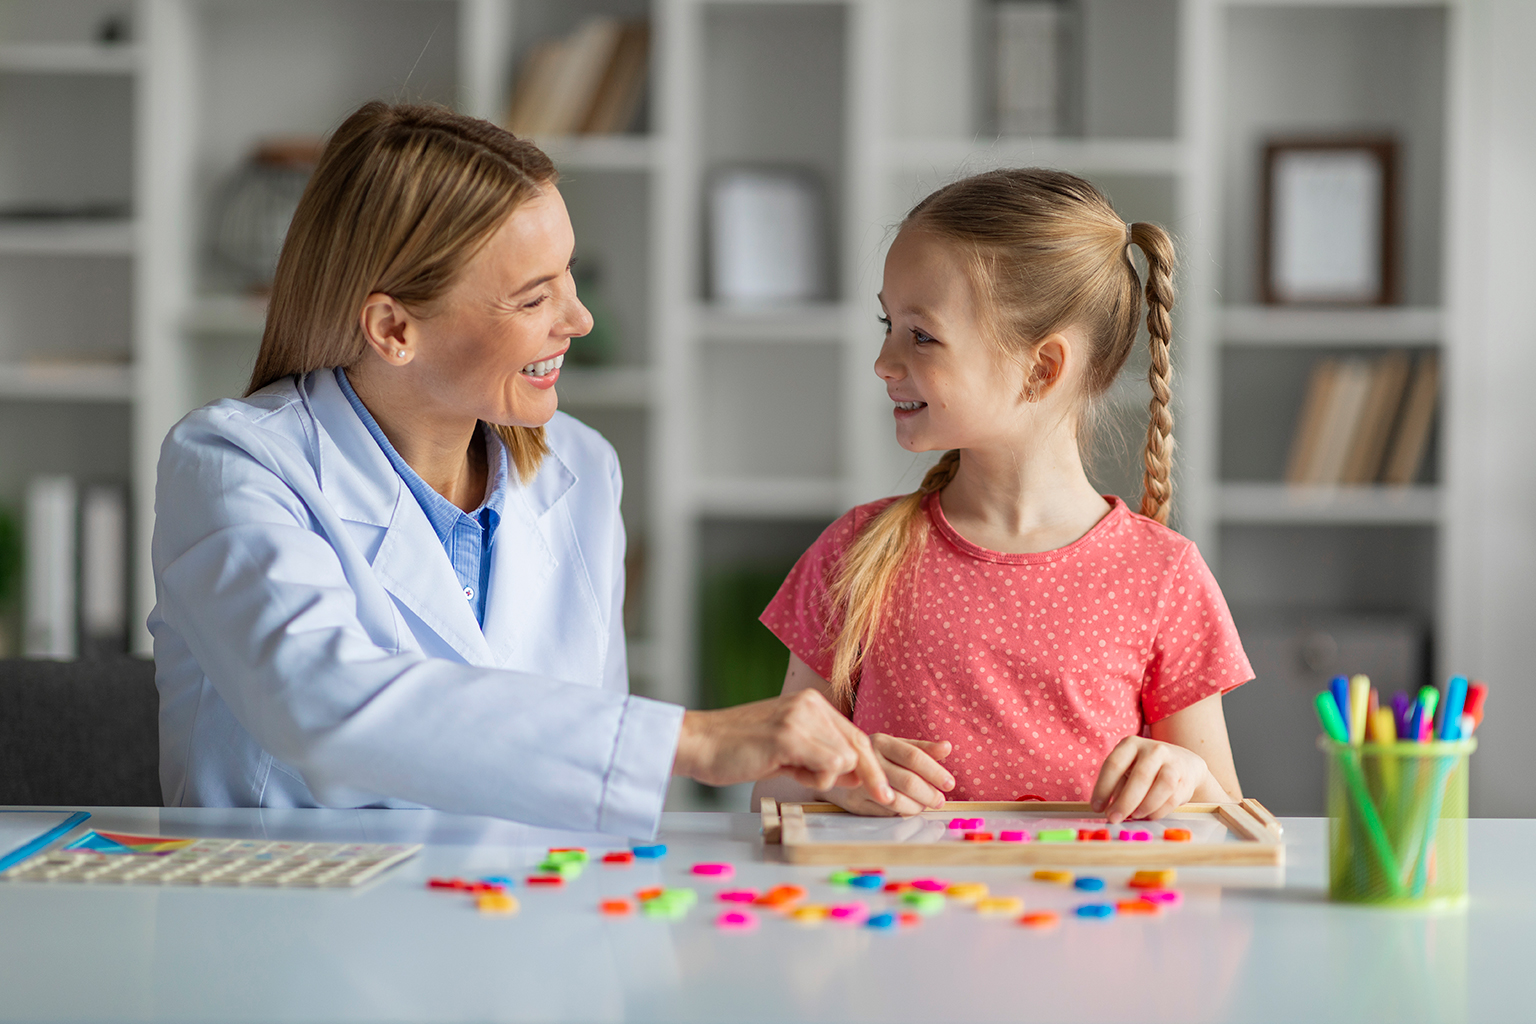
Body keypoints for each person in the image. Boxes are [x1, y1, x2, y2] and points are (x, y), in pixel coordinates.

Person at [150, 102, 894, 835]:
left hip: (517, 919)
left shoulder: (581, 467)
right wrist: (694, 741)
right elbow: (321, 702)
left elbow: (579, 797)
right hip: (285, 928)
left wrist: (822, 779)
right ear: (394, 328)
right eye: (535, 296)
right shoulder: (233, 466)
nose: (578, 320)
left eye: (568, 275)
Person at [752, 170, 1252, 823]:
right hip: (897, 921)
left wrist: (1186, 779)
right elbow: (770, 791)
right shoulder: (854, 552)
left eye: (921, 334)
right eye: (888, 323)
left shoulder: (1165, 576)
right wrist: (838, 778)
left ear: (1042, 369)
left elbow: (1228, 819)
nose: (884, 360)